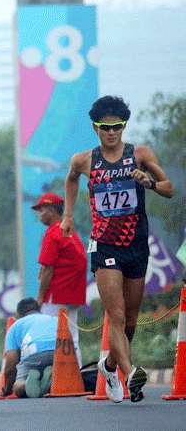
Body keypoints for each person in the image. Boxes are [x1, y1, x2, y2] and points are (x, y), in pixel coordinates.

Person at [62, 96, 174, 403]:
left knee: (132, 320)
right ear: (96, 128)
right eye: (105, 127)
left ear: (123, 126)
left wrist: (149, 182)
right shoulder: (84, 160)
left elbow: (169, 188)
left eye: (117, 127)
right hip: (104, 244)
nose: (111, 132)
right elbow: (71, 180)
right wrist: (68, 215)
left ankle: (109, 366)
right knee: (117, 314)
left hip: (136, 244)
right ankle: (131, 371)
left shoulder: (139, 154)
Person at [31, 192, 87, 366]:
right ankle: (75, 378)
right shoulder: (68, 231)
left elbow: (48, 268)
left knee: (49, 336)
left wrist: (40, 298)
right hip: (72, 293)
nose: (40, 214)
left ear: (51, 210)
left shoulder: (53, 232)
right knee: (71, 337)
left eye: (42, 210)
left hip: (56, 294)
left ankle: (53, 378)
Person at [0, 298, 57, 398]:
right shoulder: (54, 319)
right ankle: (50, 381)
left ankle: (25, 385)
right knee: (60, 381)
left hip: (33, 355)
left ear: (18, 314)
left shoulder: (16, 325)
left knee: (18, 386)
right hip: (58, 354)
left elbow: (10, 365)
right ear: (39, 310)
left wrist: (7, 389)